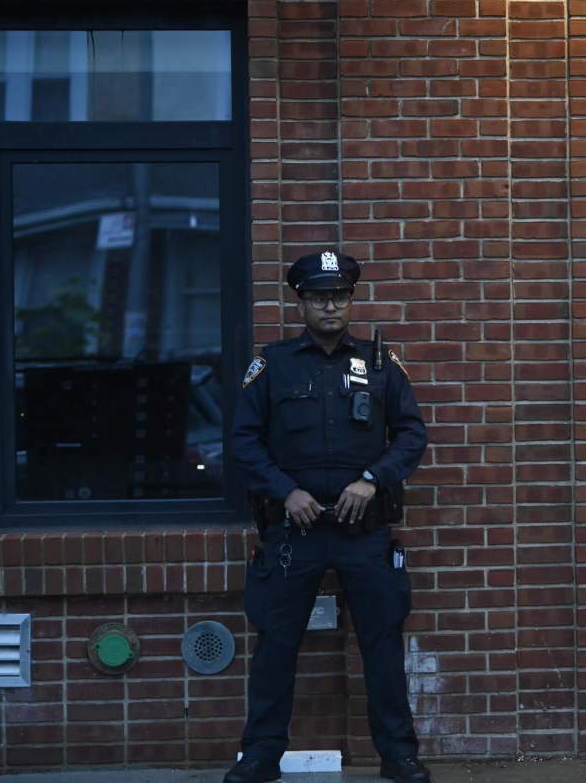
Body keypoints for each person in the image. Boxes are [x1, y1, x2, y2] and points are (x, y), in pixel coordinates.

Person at [225, 250, 431, 783]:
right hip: (294, 532)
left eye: (340, 295)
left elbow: (411, 434)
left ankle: (398, 755)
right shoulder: (272, 366)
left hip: (362, 532)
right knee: (275, 646)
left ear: (352, 300)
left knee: (381, 643)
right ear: (301, 302)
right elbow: (243, 442)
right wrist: (284, 491)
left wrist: (373, 479)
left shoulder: (381, 366)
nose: (331, 306)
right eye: (319, 297)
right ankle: (260, 756)